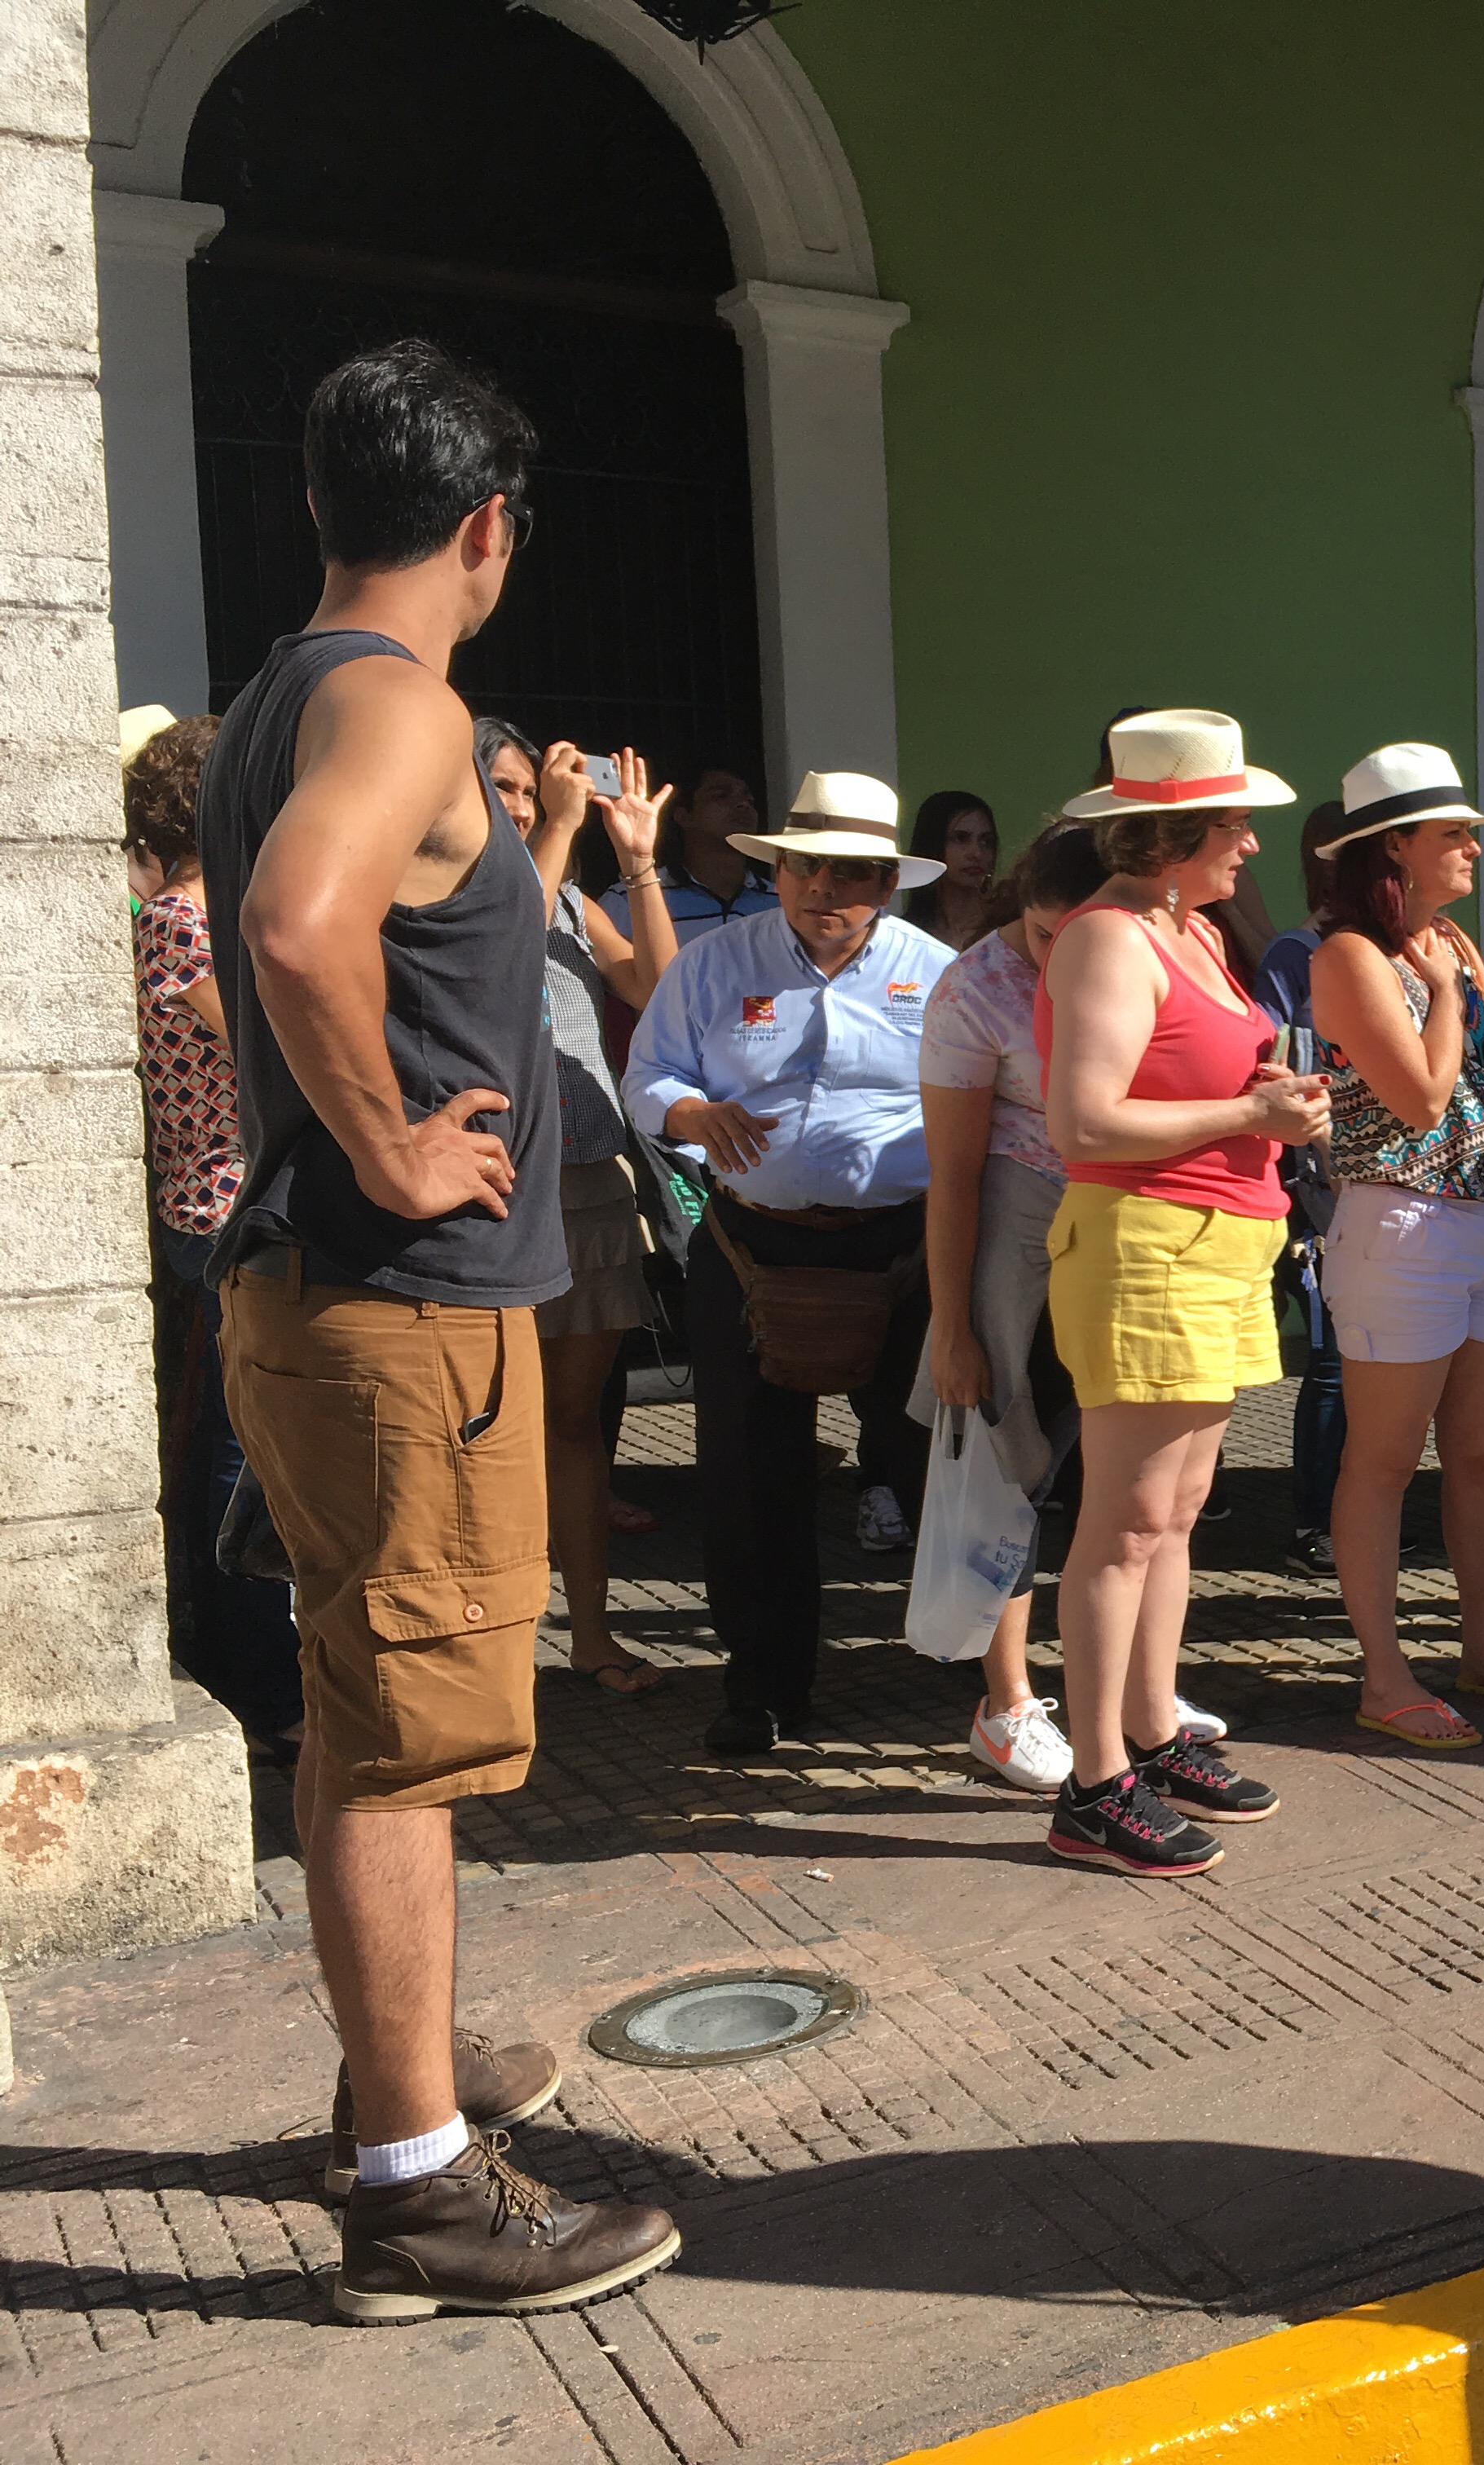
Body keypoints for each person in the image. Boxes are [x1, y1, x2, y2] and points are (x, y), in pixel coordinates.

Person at [201, 339, 676, 2317]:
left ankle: (390, 2073)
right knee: (403, 1738)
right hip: (398, 1310)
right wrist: (395, 1149)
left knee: (360, 1707)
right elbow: (303, 927)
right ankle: (417, 2188)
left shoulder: (276, 697)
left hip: (329, 1301)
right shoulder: (401, 702)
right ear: (487, 528)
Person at [1032, 709, 1323, 1874]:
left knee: (1176, 1510)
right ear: (1174, 829)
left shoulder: (1183, 928)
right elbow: (1083, 1120)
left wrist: (1263, 1098)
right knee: (1126, 1521)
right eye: (1235, 820)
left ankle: (1151, 1731)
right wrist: (1252, 1113)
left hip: (1214, 1241)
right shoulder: (1111, 938)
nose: (1252, 841)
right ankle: (1093, 1781)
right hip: (1148, 1240)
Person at [623, 770, 954, 1753]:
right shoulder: (711, 966)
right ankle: (763, 1689)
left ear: (887, 885)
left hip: (905, 1252)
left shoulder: (940, 971)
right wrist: (692, 1113)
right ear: (780, 870)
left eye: (851, 874)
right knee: (749, 1479)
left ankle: (984, 1677)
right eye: (808, 867)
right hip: (749, 1249)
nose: (824, 890)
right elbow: (649, 1074)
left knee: (935, 1465)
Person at [911, 820, 1239, 1789]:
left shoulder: (1158, 938)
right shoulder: (975, 986)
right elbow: (954, 1177)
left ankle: (1145, 1701)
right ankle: (1007, 1702)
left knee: (1148, 1494)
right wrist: (954, 1325)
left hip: (1143, 1232)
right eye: (1050, 936)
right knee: (1021, 1469)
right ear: (1024, 909)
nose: (1068, 957)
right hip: (1022, 1230)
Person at [1310, 741, 1484, 1751]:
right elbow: (1421, 1101)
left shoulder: (1452, 945)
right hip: (1403, 1224)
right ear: (1394, 851)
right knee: (1382, 1462)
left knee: (1483, 1454)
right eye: (1453, 834)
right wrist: (1448, 1001)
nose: (1472, 846)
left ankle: (1483, 1644)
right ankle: (1384, 1675)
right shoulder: (1349, 957)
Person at [123, 706, 305, 1762]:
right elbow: (269, 1042)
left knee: (254, 1450)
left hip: (240, 1207)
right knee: (246, 1460)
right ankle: (256, 1684)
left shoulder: (206, 912)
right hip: (225, 1210)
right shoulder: (185, 922)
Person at [482, 718, 677, 1693]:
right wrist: (558, 830)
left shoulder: (569, 898)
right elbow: (502, 956)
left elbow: (662, 987)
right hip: (496, 1195)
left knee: (573, 1424)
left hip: (592, 1186)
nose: (522, 806)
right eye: (506, 787)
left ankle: (593, 1636)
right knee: (494, 1427)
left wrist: (638, 865)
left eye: (533, 790)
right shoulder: (448, 892)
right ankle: (495, 1649)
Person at [1251, 800, 1351, 1574]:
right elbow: (1272, 1069)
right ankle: (1313, 1524)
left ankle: (1355, 1519)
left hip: (1382, 1193)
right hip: (1314, 1195)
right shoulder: (1293, 955)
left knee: (1361, 1364)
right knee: (1329, 1362)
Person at [601, 759, 777, 948]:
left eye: (749, 800)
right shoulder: (626, 899)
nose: (743, 804)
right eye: (721, 796)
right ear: (684, 816)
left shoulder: (780, 902)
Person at [903, 788, 1004, 948]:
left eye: (986, 841)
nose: (976, 853)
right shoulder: (905, 935)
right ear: (932, 845)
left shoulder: (1007, 929)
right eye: (961, 839)